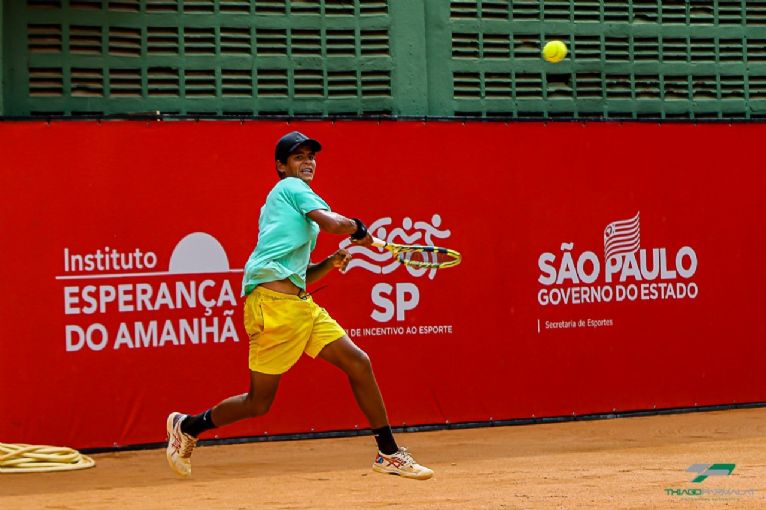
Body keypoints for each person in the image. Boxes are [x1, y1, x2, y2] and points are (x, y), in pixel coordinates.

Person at [165, 131, 433, 480]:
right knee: (258, 403)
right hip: (272, 308)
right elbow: (333, 222)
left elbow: (298, 275)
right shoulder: (291, 189)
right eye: (298, 157)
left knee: (358, 363)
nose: (308, 162)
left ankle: (388, 452)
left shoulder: (290, 211)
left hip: (298, 305)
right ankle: (187, 426)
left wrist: (331, 263)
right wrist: (357, 227)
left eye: (311, 156)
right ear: (282, 166)